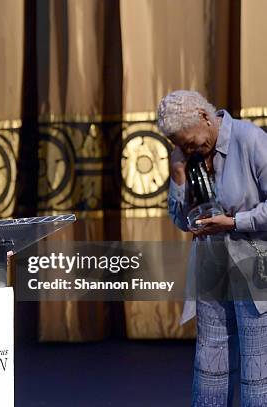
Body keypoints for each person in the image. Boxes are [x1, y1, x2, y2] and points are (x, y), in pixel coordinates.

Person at [160, 90, 267, 406]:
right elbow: (182, 221)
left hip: (254, 268)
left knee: (256, 371)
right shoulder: (188, 155)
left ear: (205, 117)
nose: (188, 149)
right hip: (211, 268)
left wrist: (234, 223)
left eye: (190, 142)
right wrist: (178, 177)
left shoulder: (249, 140)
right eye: (181, 146)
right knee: (210, 369)